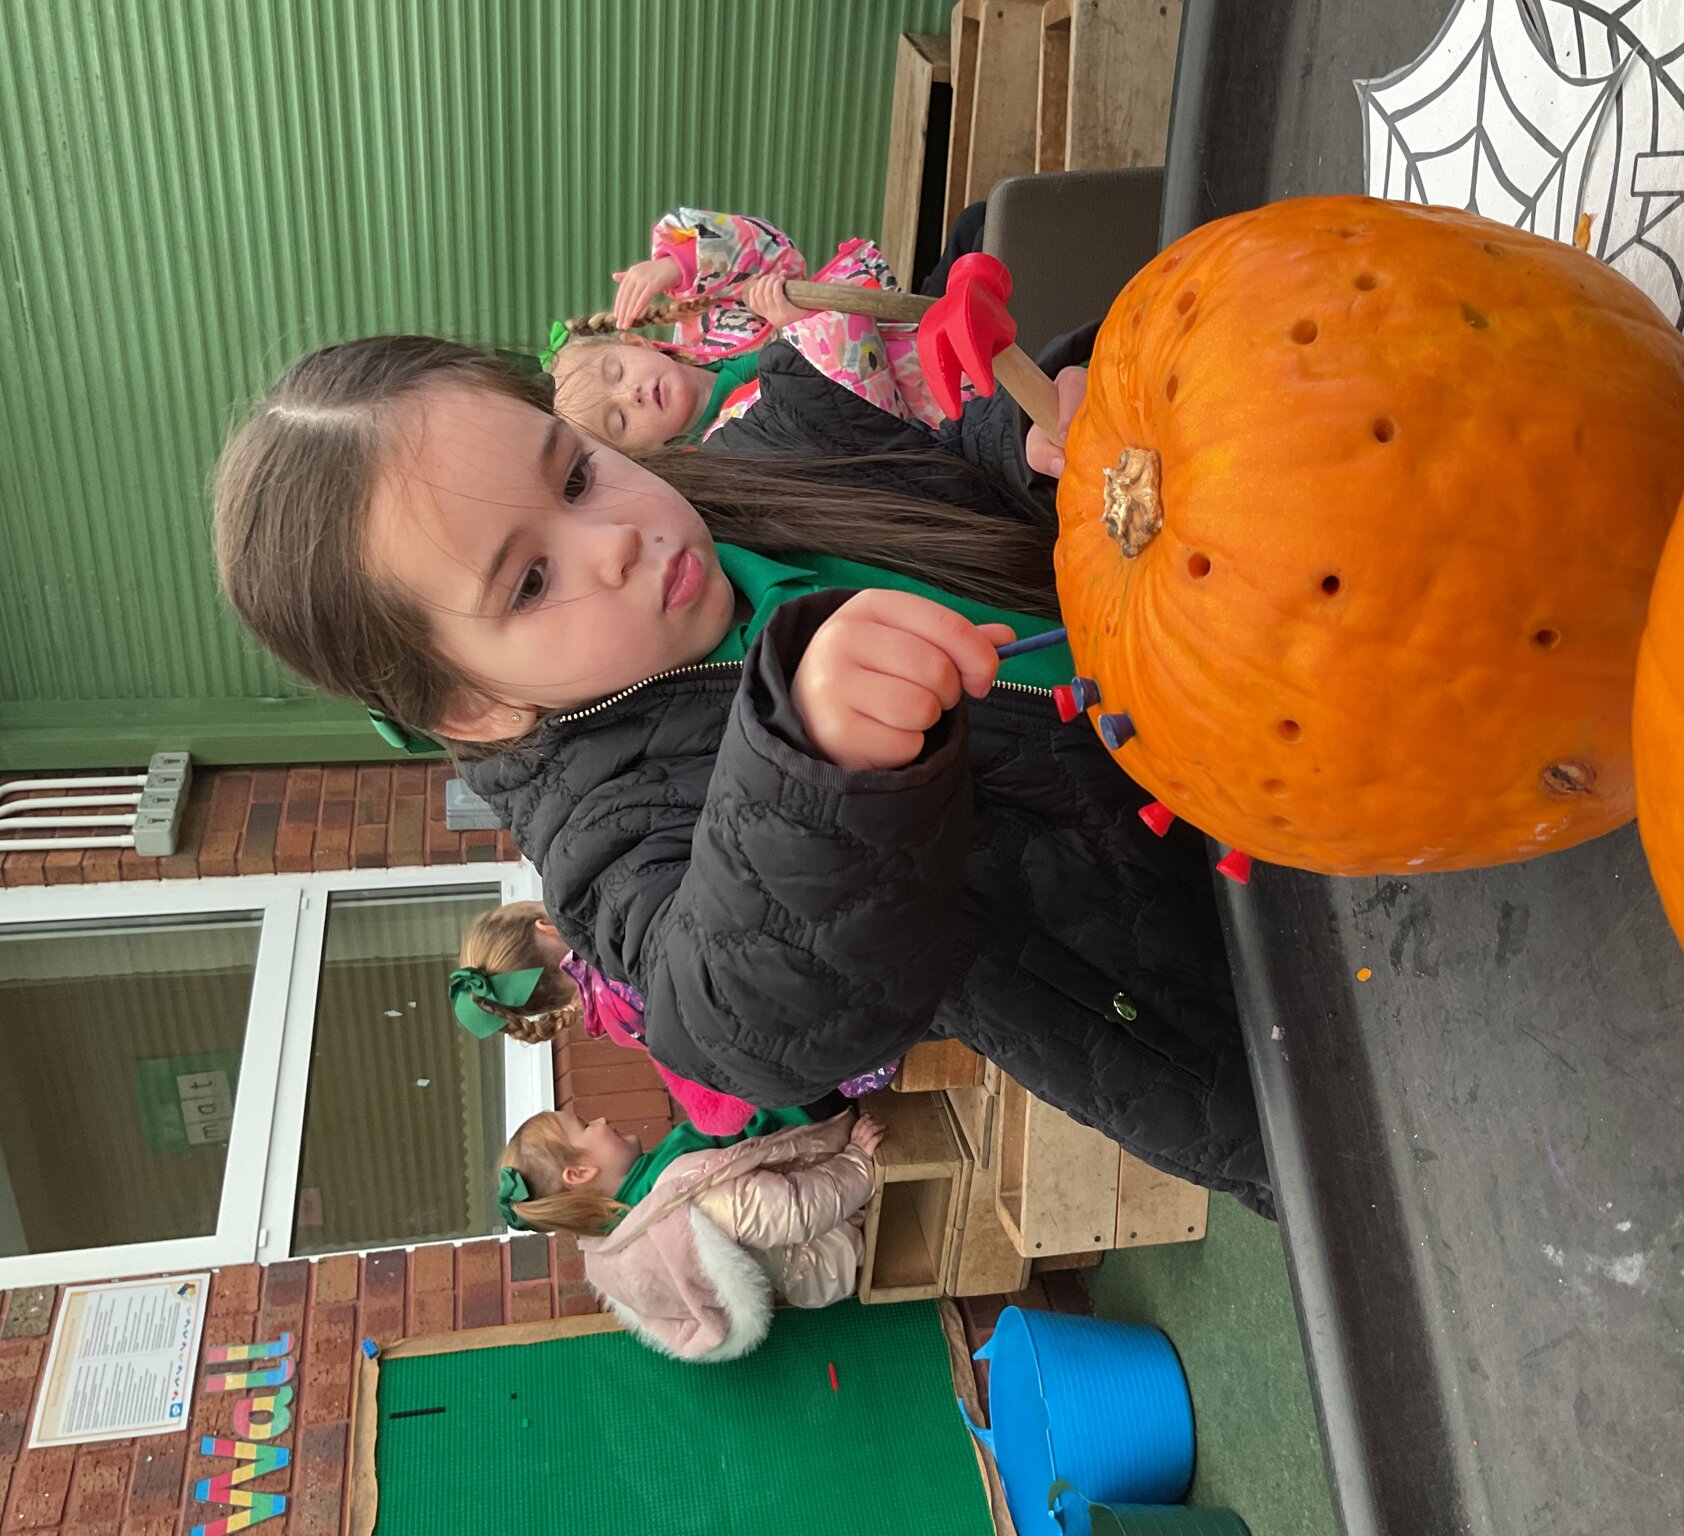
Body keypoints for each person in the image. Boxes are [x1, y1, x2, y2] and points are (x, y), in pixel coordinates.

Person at [212, 335, 1272, 1214]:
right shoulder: (614, 838)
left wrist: (1026, 442)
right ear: (469, 704)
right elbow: (735, 1018)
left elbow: (954, 469)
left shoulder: (774, 451)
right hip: (1247, 982)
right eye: (531, 580)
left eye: (576, 471)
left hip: (1269, 671)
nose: (616, 537)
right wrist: (815, 769)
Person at [452, 900, 895, 1135]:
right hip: (822, 971)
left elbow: (713, 1106)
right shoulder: (620, 925)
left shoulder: (620, 1022)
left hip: (840, 1058)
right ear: (544, 927)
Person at [545, 203, 957, 455]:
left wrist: (680, 264)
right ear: (643, 453)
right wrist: (802, 327)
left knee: (974, 223)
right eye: (618, 421)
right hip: (940, 401)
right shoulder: (732, 442)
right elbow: (856, 422)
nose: (630, 395)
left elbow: (779, 255)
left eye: (616, 372)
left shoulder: (709, 327)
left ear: (637, 343)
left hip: (913, 325)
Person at [498, 1107, 882, 1361]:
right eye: (585, 1127)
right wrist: (857, 1161)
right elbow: (797, 1210)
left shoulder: (620, 1233)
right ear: (580, 1174)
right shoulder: (689, 1205)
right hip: (838, 1235)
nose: (598, 1120)